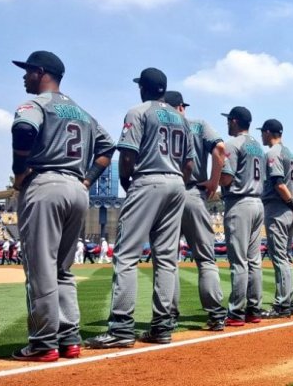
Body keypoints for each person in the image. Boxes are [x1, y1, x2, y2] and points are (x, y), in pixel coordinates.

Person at [10, 51, 115, 361]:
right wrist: (88, 178)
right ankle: (69, 338)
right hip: (76, 190)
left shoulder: (36, 104)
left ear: (41, 72)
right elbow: (108, 147)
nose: (24, 76)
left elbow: (24, 129)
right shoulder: (83, 113)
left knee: (41, 269)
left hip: (45, 186)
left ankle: (43, 343)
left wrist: (18, 172)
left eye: (28, 71)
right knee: (63, 271)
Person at [86, 67, 193, 348]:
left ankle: (121, 327)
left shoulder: (138, 111)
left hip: (148, 180)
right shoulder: (182, 120)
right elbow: (190, 165)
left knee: (126, 255)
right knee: (167, 258)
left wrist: (126, 181)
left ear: (143, 88)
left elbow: (127, 154)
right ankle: (162, 327)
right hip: (177, 183)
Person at [164, 91, 227, 331]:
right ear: (181, 107)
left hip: (166, 194)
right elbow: (219, 150)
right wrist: (214, 181)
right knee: (205, 259)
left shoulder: (157, 122)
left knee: (168, 260)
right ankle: (215, 314)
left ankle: (167, 318)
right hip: (192, 194)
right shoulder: (198, 124)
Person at [219, 106, 266, 326]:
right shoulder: (258, 146)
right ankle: (254, 309)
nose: (227, 124)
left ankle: (236, 312)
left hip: (239, 202)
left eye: (229, 120)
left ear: (235, 121)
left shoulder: (232, 144)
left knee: (239, 261)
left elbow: (227, 178)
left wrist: (214, 179)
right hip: (258, 202)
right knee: (253, 261)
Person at [258, 119, 293, 318]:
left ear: (269, 132)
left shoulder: (273, 153)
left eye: (263, 132)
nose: (262, 135)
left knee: (279, 256)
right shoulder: (291, 154)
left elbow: (278, 183)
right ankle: (289, 301)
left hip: (278, 208)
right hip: (289, 208)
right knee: (285, 256)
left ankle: (283, 304)